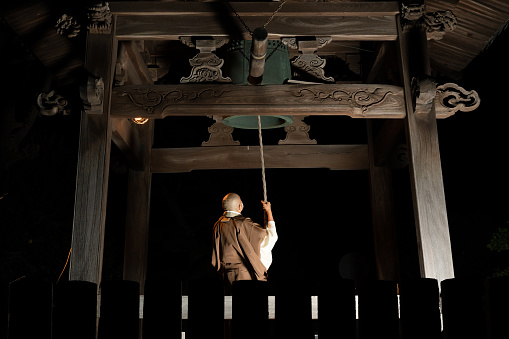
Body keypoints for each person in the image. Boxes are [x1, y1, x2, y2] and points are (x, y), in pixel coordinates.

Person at [211, 193, 278, 294]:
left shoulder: (218, 225)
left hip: (226, 276)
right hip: (244, 275)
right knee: (245, 306)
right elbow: (270, 236)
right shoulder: (243, 223)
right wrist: (269, 211)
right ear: (240, 206)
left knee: (231, 307)